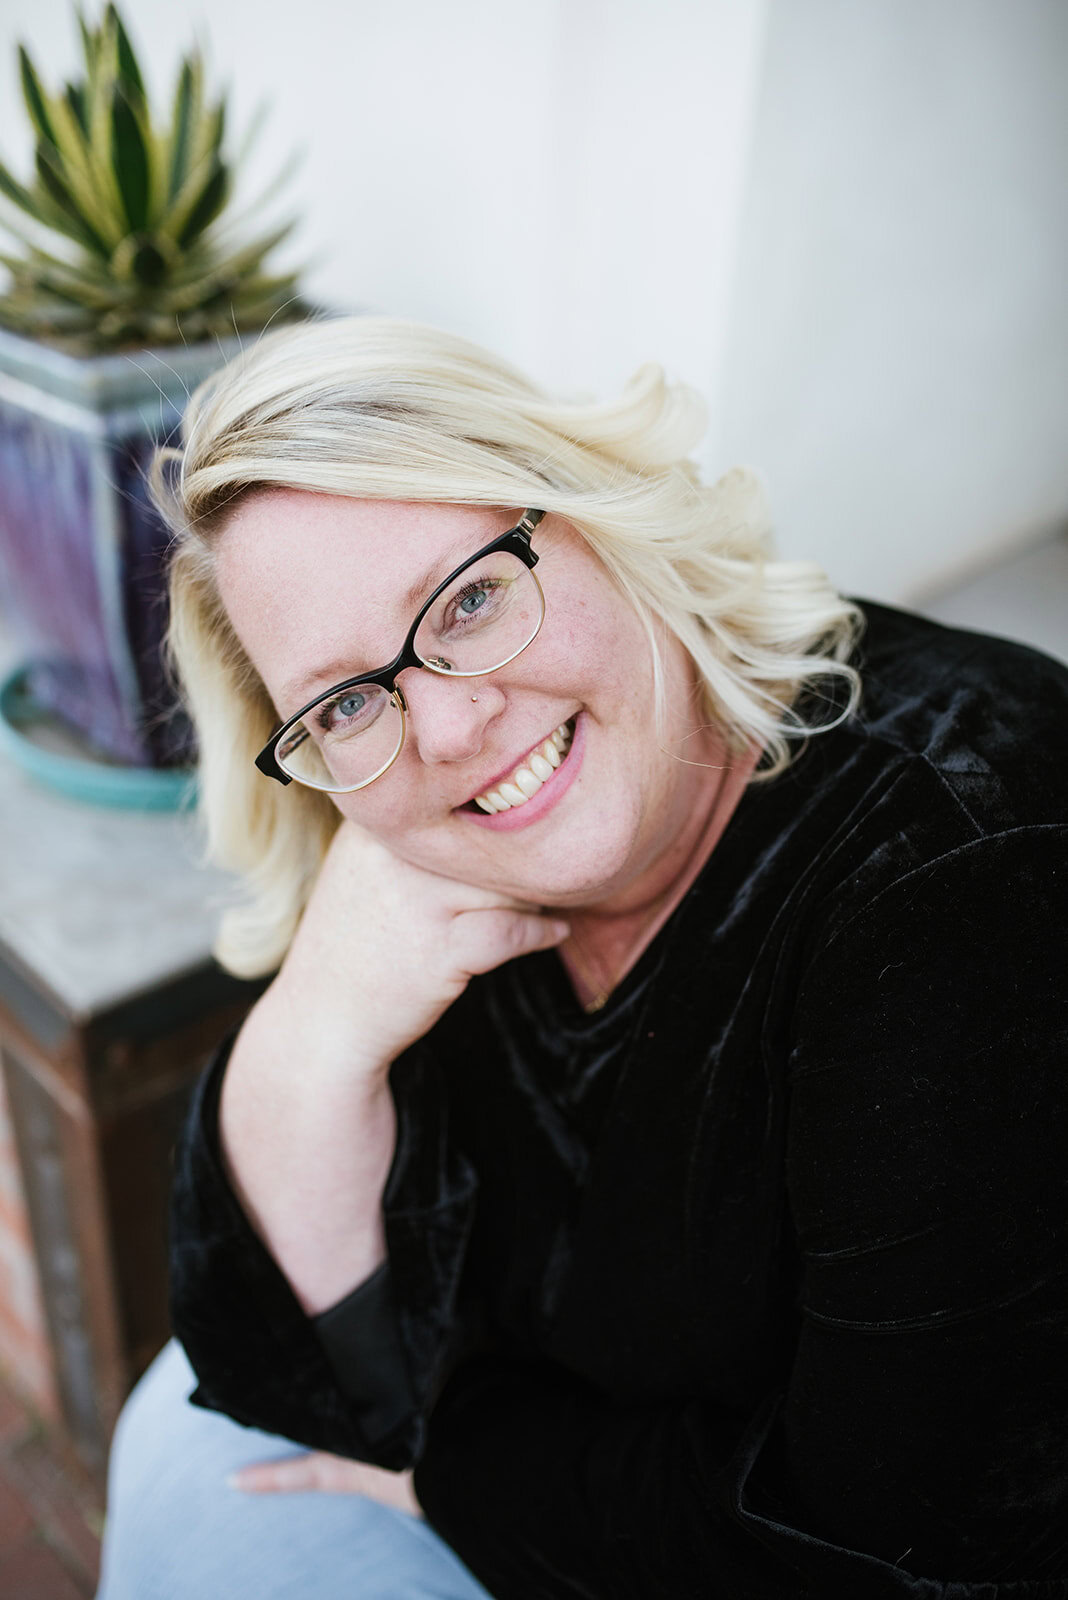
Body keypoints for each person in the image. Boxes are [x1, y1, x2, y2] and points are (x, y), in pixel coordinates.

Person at [95, 317, 1068, 1600]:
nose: (443, 725)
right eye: (343, 703)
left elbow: (903, 1551)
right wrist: (314, 1033)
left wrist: (455, 1470)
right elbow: (307, 1379)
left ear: (599, 519)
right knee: (177, 1435)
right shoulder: (418, 866)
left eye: (474, 597)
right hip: (591, 1492)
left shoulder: (958, 857)